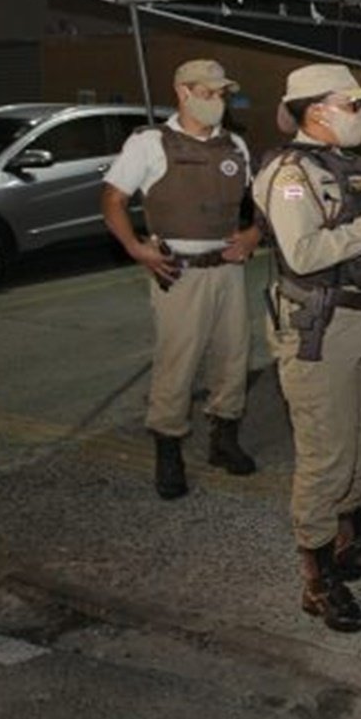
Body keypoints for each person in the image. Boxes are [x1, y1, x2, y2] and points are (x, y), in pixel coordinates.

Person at [254, 63, 361, 633]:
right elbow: (303, 253)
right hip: (317, 333)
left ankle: (355, 547)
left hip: (358, 324)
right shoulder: (290, 175)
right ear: (316, 112)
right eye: (350, 105)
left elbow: (351, 240)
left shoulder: (345, 166)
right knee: (325, 458)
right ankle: (318, 579)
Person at [101, 59, 262, 500]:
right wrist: (136, 248)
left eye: (221, 93)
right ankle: (168, 448)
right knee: (178, 362)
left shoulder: (236, 146)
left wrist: (252, 235)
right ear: (182, 93)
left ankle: (223, 440)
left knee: (234, 357)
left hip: (227, 270)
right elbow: (113, 199)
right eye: (207, 93)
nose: (217, 101)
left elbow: (259, 206)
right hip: (179, 271)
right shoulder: (151, 142)